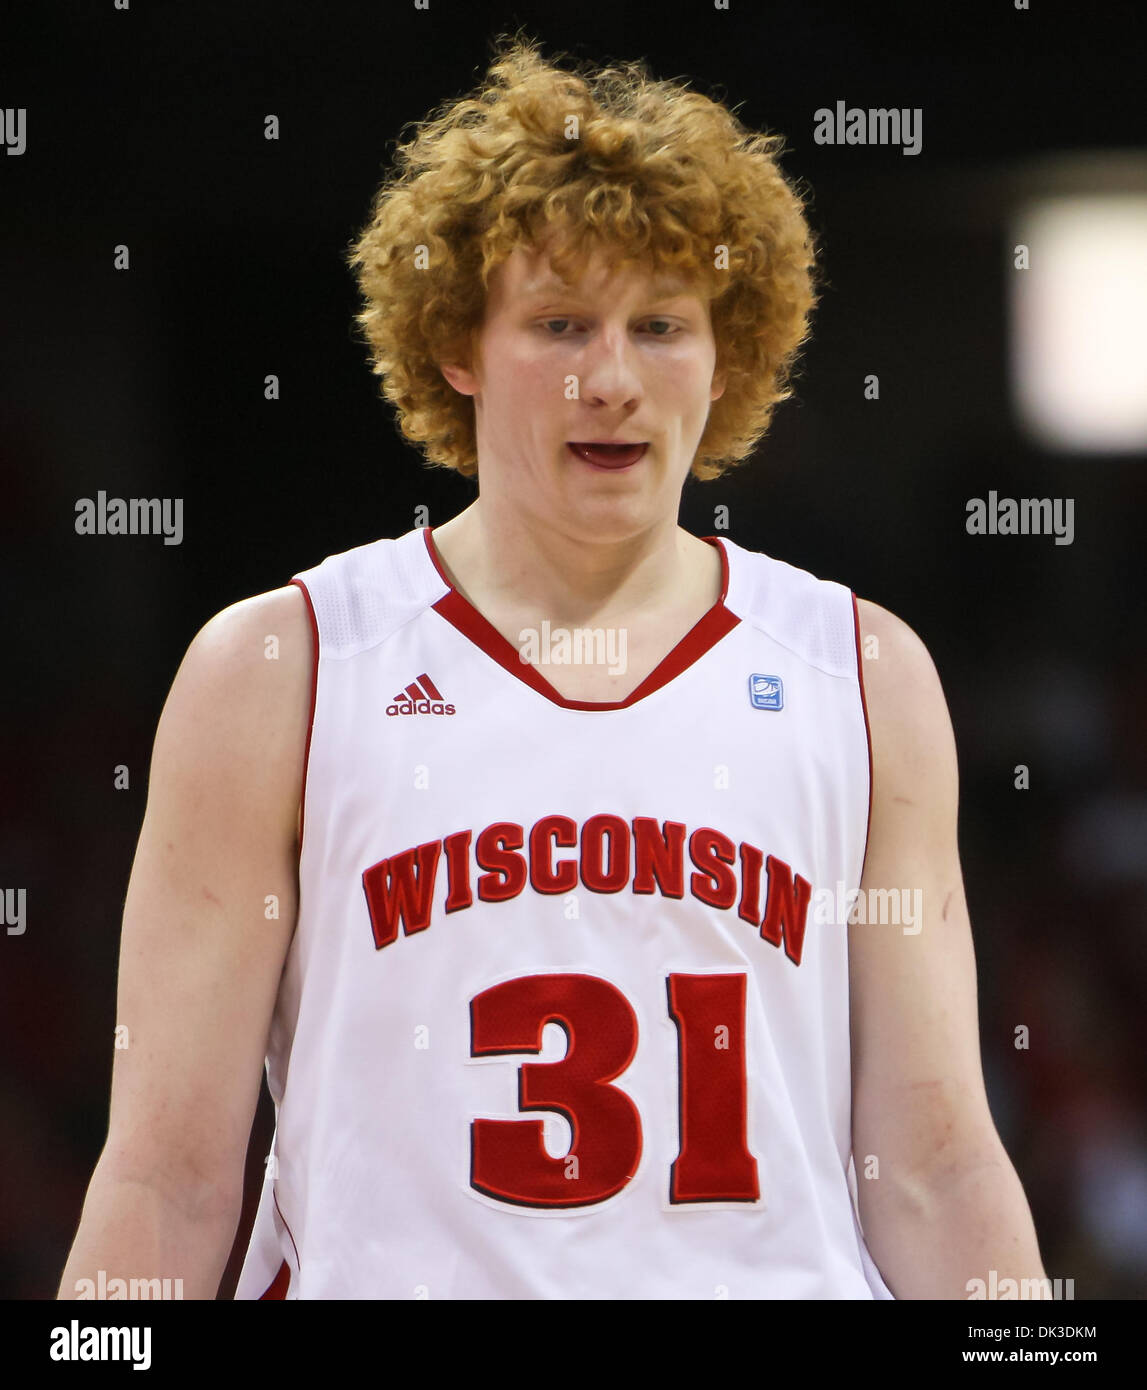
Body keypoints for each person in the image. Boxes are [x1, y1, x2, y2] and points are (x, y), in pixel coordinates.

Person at [59, 33, 1045, 1300]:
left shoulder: (860, 671)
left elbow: (934, 1161)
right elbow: (167, 1177)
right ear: (456, 345)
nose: (611, 380)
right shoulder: (282, 667)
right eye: (560, 322)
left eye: (661, 326)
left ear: (728, 355)